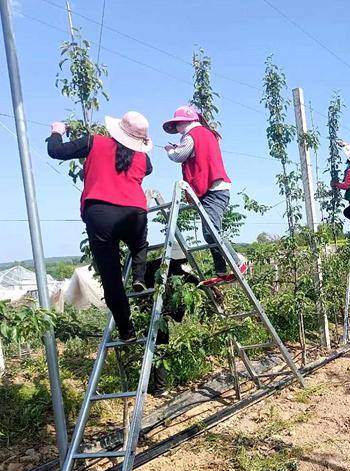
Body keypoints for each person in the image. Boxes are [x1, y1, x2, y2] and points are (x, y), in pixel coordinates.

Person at [47, 111, 153, 341]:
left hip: (100, 214)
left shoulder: (94, 141)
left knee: (111, 276)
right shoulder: (143, 157)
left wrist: (57, 131)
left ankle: (126, 330)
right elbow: (148, 169)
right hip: (134, 212)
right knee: (140, 244)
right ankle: (139, 277)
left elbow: (55, 151)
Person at [162, 105, 248, 286]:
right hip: (216, 189)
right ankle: (222, 270)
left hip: (214, 190)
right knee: (210, 232)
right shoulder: (206, 134)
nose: (177, 128)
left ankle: (238, 261)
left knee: (212, 231)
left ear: (185, 122)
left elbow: (179, 155)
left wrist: (170, 150)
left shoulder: (192, 135)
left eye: (177, 124)